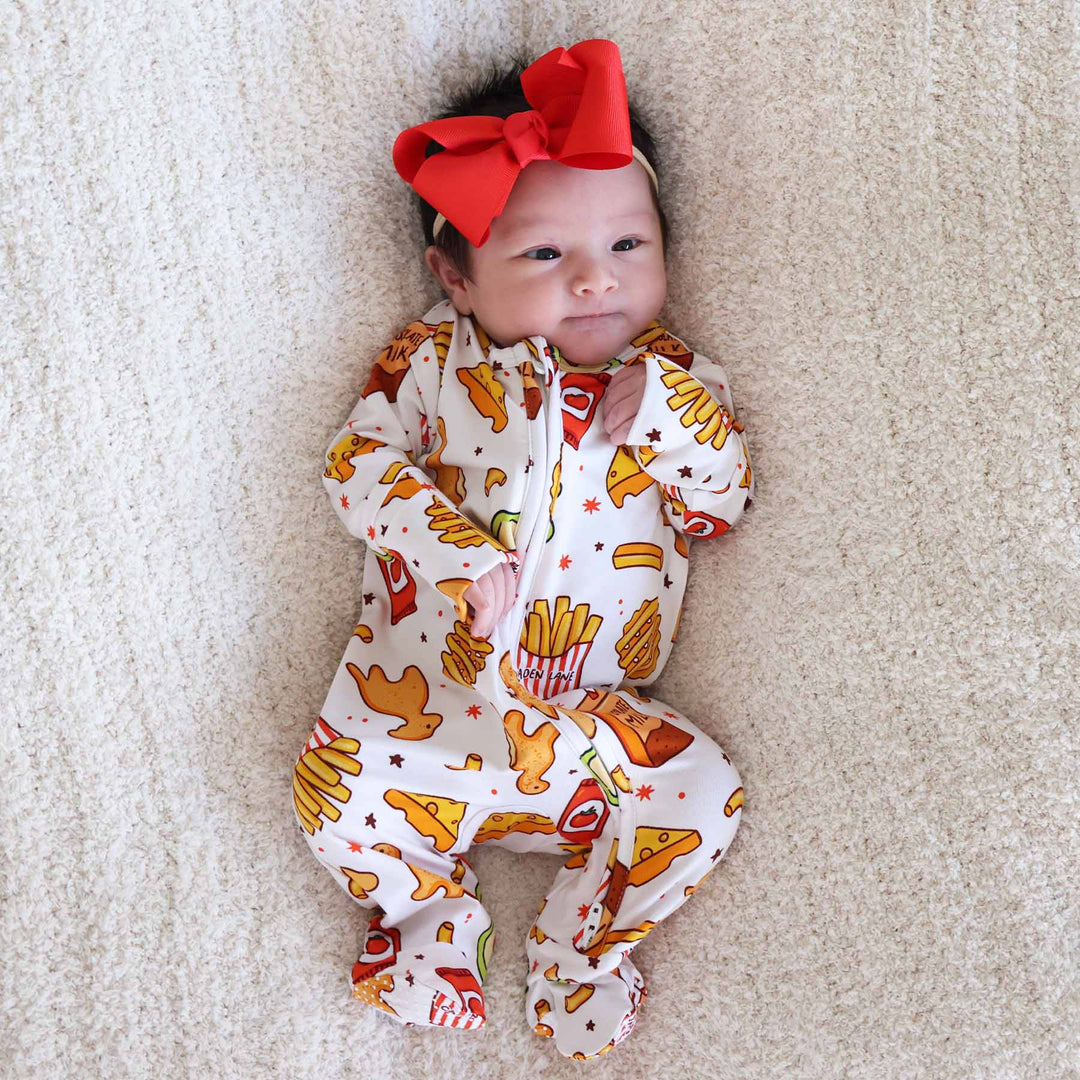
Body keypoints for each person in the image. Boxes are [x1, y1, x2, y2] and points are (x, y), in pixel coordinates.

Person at [293, 38, 754, 1061]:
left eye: (629, 247)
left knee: (703, 792)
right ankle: (425, 922)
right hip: (419, 719)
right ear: (455, 276)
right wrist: (451, 548)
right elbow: (352, 467)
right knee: (328, 791)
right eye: (544, 255)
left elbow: (721, 510)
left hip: (588, 729)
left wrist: (672, 420)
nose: (596, 280)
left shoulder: (678, 379)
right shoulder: (436, 362)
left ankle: (581, 947)